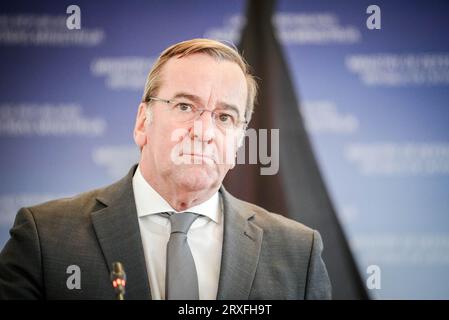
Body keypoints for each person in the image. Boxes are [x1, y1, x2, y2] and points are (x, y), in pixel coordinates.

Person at [0, 38, 331, 300]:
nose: (203, 131)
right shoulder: (45, 238)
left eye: (225, 117)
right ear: (143, 121)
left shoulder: (298, 253)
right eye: (185, 106)